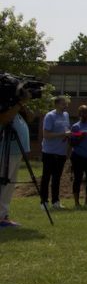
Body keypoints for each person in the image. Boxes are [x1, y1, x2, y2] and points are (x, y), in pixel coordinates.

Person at [1, 91, 33, 228]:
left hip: (16, 151)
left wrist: (21, 105)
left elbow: (31, 118)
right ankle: (1, 217)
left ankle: (3, 215)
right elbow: (4, 119)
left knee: (9, 185)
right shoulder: (6, 108)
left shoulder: (16, 108)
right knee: (3, 183)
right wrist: (18, 103)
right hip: (4, 151)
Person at [40, 95, 70, 210]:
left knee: (57, 178)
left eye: (66, 104)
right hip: (49, 151)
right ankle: (44, 202)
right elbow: (46, 135)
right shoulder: (50, 116)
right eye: (63, 104)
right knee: (46, 177)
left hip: (61, 152)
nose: (65, 106)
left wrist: (68, 133)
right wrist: (62, 134)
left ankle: (56, 202)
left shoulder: (66, 115)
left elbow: (66, 129)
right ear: (56, 104)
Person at [69, 105, 87, 208]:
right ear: (79, 114)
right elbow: (72, 143)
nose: (85, 114)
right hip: (78, 157)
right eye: (83, 112)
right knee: (78, 179)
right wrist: (80, 137)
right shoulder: (76, 126)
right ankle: (76, 203)